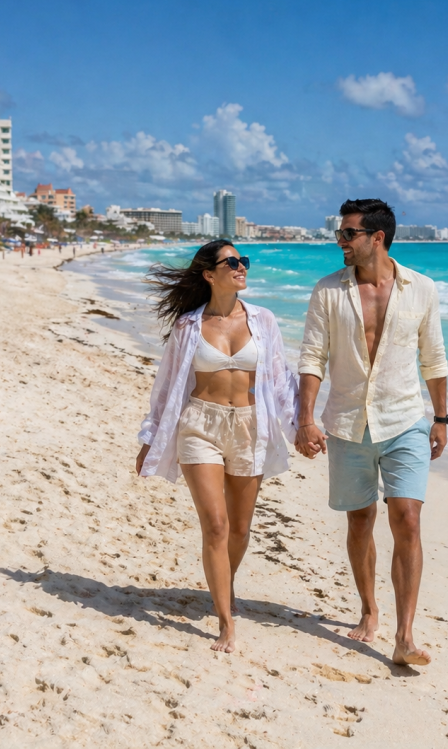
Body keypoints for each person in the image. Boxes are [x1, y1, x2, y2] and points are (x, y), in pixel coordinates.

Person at [295, 199, 448, 667]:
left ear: (376, 238)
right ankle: (368, 610)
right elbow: (311, 358)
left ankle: (404, 636)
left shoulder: (421, 289)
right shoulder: (328, 292)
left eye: (347, 234)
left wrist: (441, 418)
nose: (339, 241)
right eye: (340, 233)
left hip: (404, 419)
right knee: (359, 521)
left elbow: (434, 358)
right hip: (346, 422)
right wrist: (306, 417)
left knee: (408, 518)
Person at [136, 240, 298, 653]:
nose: (242, 267)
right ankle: (226, 621)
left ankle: (222, 586)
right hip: (199, 427)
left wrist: (303, 427)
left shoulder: (264, 320)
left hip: (249, 427)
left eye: (244, 261)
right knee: (217, 525)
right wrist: (151, 437)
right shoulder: (188, 326)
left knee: (241, 529)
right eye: (232, 262)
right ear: (210, 274)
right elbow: (166, 385)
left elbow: (281, 382)